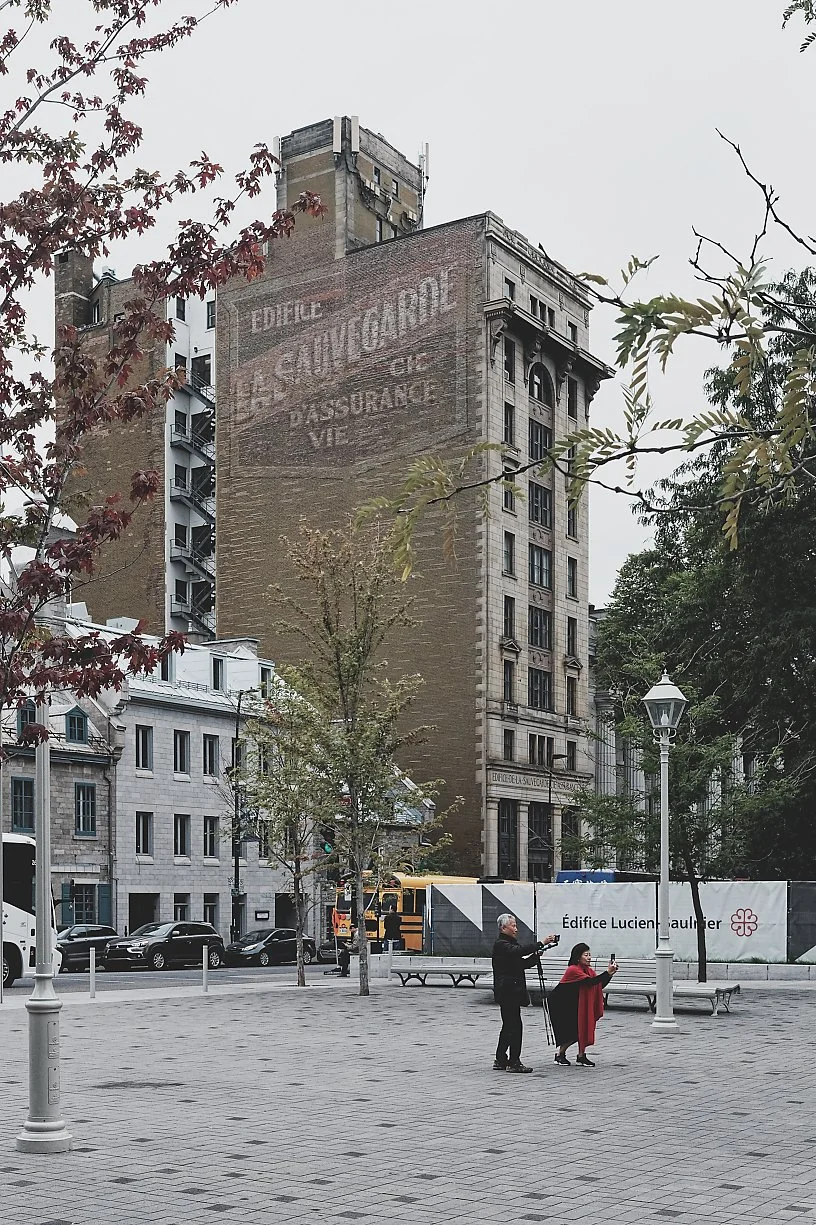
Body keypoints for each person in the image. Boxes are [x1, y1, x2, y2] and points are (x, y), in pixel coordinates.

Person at [492, 913, 558, 1073]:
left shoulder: (508, 945)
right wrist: (541, 943)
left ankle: (501, 1059)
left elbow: (520, 964)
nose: (516, 929)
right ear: (503, 928)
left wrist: (535, 957)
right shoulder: (502, 945)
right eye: (513, 926)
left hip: (510, 991)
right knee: (515, 1027)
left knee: (508, 1026)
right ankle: (513, 1062)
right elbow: (518, 952)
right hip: (508, 991)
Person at [548, 943, 618, 1067]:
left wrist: (610, 974)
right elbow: (590, 982)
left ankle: (581, 1056)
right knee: (572, 1033)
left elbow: (598, 985)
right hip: (561, 1004)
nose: (589, 957)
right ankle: (560, 1055)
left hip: (576, 1002)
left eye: (589, 954)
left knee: (583, 1028)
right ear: (578, 957)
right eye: (586, 955)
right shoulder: (573, 969)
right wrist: (607, 972)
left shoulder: (589, 970)